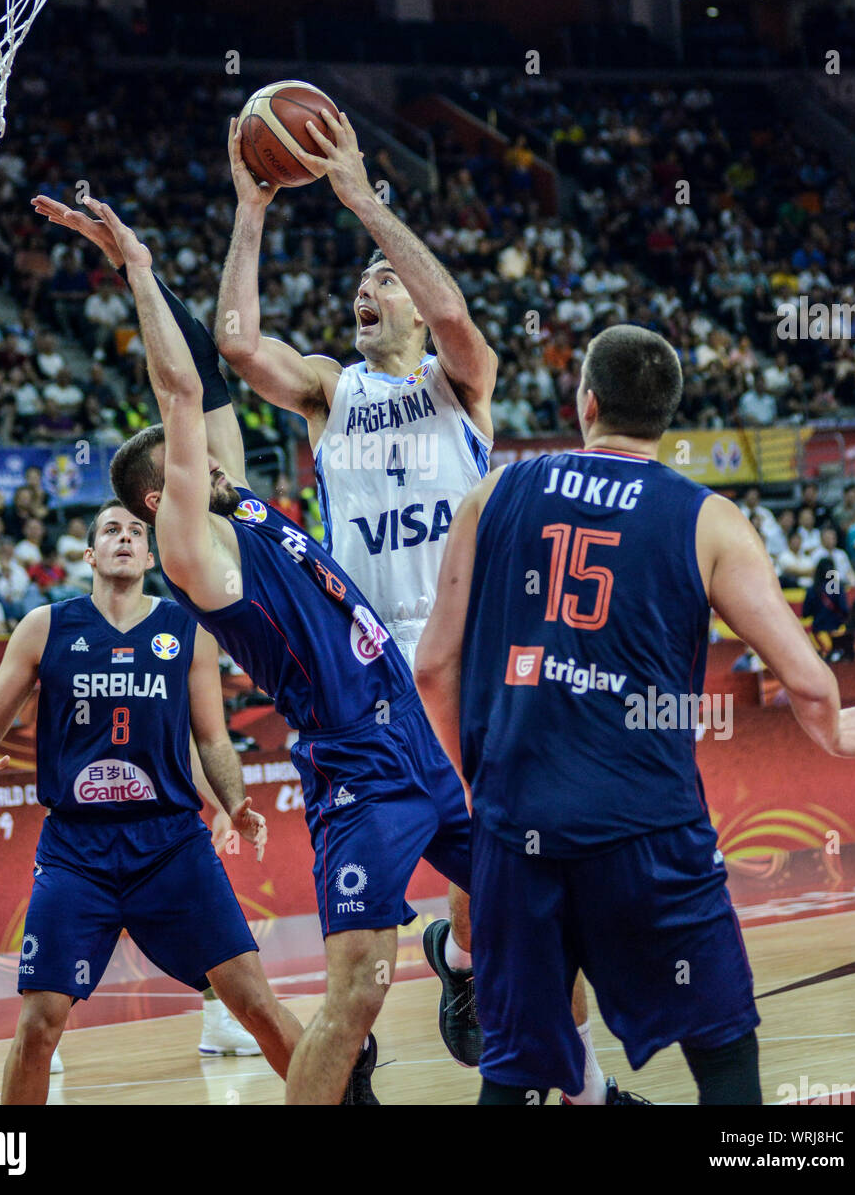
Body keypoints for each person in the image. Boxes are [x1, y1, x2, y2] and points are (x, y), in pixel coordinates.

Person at [32, 190, 474, 1106]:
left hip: (416, 725)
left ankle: (525, 1047)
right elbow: (184, 391)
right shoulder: (199, 550)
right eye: (192, 459)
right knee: (353, 994)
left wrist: (205, 226)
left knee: (536, 903)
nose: (217, 454)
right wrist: (141, 272)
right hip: (356, 750)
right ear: (165, 497)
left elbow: (216, 374)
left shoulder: (239, 507)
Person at [414, 324, 855, 1106]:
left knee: (514, 1068)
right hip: (646, 829)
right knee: (723, 1052)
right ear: (664, 417)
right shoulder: (707, 519)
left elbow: (432, 666)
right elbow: (805, 679)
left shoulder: (492, 495)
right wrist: (831, 729)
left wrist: (474, 787)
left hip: (516, 823)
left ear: (586, 401)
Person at [214, 109, 499, 1073]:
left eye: (381, 282)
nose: (363, 291)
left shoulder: (458, 384)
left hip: (464, 648)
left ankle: (460, 958)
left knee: (507, 849)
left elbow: (457, 318)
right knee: (370, 943)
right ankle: (363, 1032)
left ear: (412, 308)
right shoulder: (334, 391)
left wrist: (363, 203)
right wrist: (251, 208)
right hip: (369, 665)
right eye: (358, 284)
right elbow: (241, 347)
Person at [0, 499, 306, 1105]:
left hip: (170, 844)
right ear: (90, 554)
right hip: (76, 850)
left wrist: (235, 801)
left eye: (136, 532)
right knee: (40, 1023)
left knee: (254, 1001)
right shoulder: (45, 626)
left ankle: (346, 1100)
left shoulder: (185, 630)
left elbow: (212, 736)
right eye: (111, 530)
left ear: (150, 555)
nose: (125, 538)